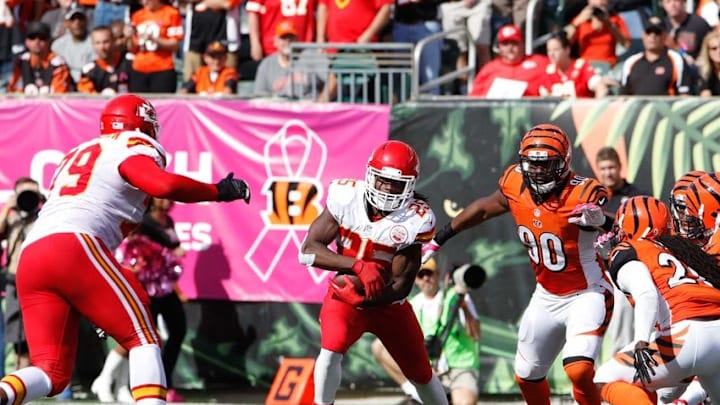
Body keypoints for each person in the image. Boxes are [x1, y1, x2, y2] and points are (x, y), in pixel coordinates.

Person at [0, 94, 251, 405]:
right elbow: (165, 187)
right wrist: (217, 191)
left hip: (34, 253)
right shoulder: (131, 146)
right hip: (76, 244)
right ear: (142, 124)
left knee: (50, 372)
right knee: (143, 338)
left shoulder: (80, 152)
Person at [422, 124, 614, 405]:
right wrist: (440, 238)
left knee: (579, 368)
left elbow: (619, 226)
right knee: (526, 375)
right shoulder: (515, 183)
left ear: (563, 164)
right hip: (546, 294)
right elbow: (486, 207)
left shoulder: (582, 193)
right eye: (531, 163)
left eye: (545, 164)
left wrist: (603, 222)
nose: (536, 171)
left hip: (587, 292)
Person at [299, 140, 449, 405]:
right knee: (329, 352)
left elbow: (402, 285)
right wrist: (357, 266)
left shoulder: (416, 219)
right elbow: (307, 251)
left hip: (388, 304)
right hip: (346, 294)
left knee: (421, 374)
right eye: (382, 181)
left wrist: (366, 300)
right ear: (369, 174)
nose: (388, 189)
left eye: (396, 183)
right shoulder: (345, 197)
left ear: (411, 186)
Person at [593, 196, 720, 405]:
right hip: (717, 333)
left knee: (604, 379)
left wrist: (641, 342)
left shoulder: (628, 250)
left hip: (685, 336)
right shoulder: (683, 250)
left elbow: (646, 293)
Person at [92, 197, 189, 403]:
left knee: (175, 330)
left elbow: (170, 257)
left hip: (164, 286)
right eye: (162, 195)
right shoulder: (144, 221)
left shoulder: (168, 221)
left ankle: (130, 386)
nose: (167, 200)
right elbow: (136, 249)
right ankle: (107, 380)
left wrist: (176, 285)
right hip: (143, 286)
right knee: (139, 337)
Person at [372, 258, 481, 405]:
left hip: (459, 368)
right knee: (378, 346)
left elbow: (475, 335)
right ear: (415, 280)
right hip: (430, 370)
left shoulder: (456, 296)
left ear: (437, 275)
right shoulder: (414, 304)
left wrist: (463, 305)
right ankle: (413, 391)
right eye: (421, 275)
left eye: (429, 274)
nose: (426, 279)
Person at [593, 146, 646, 360]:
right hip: (595, 272)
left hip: (622, 272)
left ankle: (618, 380)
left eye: (611, 167)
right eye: (603, 168)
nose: (607, 173)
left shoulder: (635, 196)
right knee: (590, 329)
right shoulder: (594, 197)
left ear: (620, 167)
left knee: (622, 330)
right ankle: (589, 381)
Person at [0, 178, 45, 375]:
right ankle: (20, 375)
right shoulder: (12, 217)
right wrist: (8, 208)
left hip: (39, 280)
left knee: (38, 330)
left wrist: (46, 203)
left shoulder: (44, 216)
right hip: (13, 279)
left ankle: (33, 375)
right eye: (23, 193)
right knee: (14, 332)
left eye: (32, 193)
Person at [253, 20, 327, 100]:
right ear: (275, 41)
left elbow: (332, 80)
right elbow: (260, 97)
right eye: (283, 38)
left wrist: (320, 103)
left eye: (291, 38)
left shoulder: (310, 56)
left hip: (308, 109)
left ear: (297, 39)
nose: (287, 41)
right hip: (281, 109)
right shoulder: (267, 65)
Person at [469, 24, 549, 97]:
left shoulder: (541, 63)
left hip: (532, 111)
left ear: (522, 44)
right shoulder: (489, 68)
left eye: (514, 43)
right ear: (499, 47)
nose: (510, 48)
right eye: (505, 44)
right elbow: (474, 98)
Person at [620, 16, 692, 96]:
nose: (652, 36)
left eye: (657, 32)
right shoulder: (631, 62)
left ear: (665, 35)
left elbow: (684, 95)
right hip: (637, 107)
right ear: (643, 35)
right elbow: (623, 95)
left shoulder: (677, 60)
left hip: (665, 108)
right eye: (648, 32)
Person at [7, 21, 74, 94]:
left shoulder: (58, 64)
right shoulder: (20, 62)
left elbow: (60, 93)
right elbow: (12, 91)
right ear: (27, 42)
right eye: (32, 37)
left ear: (49, 41)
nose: (37, 41)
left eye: (42, 38)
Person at [539, 31, 609, 98]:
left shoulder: (581, 66)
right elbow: (543, 96)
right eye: (549, 50)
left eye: (556, 50)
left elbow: (601, 88)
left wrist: (595, 107)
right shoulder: (548, 71)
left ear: (567, 50)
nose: (552, 54)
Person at [563, 0, 631, 67]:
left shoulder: (615, 19)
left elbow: (626, 44)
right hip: (586, 65)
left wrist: (610, 25)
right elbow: (564, 43)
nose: (600, 2)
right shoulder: (580, 20)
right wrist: (577, 23)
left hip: (608, 64)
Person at [77, 25, 132, 94]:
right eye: (97, 43)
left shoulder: (130, 62)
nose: (102, 47)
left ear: (113, 41)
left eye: (106, 42)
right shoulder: (88, 71)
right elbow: (88, 99)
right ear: (92, 45)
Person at [696, 31, 720, 96]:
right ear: (707, 51)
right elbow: (705, 96)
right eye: (714, 48)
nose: (719, 51)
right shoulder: (704, 72)